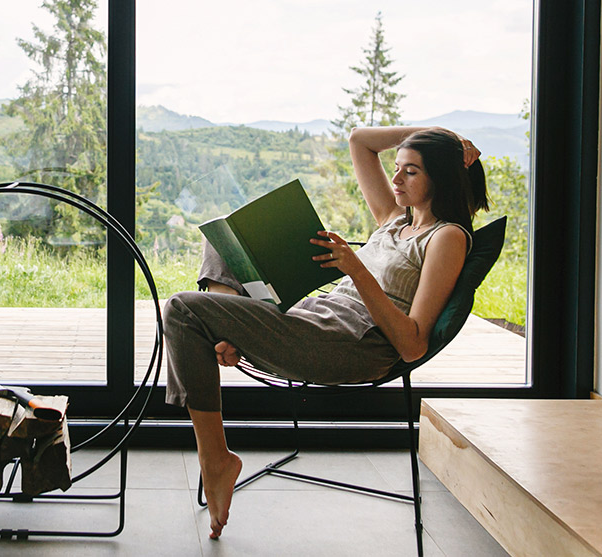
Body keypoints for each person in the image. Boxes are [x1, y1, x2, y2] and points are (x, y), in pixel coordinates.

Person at [162, 126, 489, 540]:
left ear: (440, 178)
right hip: (311, 319)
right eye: (397, 168)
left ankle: (216, 459)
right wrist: (439, 134)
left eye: (411, 172)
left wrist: (355, 268)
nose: (396, 179)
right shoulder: (393, 220)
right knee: (222, 241)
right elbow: (359, 140)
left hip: (348, 345)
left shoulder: (446, 238)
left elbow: (412, 344)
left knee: (181, 308)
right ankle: (225, 335)